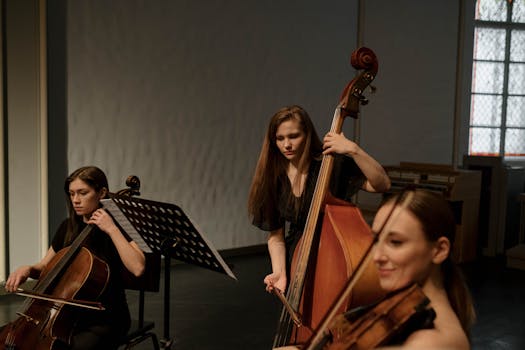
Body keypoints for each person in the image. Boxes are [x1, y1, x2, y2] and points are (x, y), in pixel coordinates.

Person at [247, 105, 390, 294]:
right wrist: (280, 273)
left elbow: (381, 185)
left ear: (307, 134)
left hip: (334, 253)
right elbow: (276, 237)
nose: (286, 145)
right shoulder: (274, 177)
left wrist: (354, 150)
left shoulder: (330, 164)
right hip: (297, 256)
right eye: (280, 138)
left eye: (294, 136)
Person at [3, 166, 146, 349]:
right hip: (67, 315)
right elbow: (45, 267)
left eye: (82, 193)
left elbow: (138, 267)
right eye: (71, 194)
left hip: (105, 320)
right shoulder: (67, 227)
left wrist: (111, 229)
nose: (76, 200)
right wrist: (29, 269)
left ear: (101, 193)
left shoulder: (118, 227)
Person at [370, 189, 476, 349]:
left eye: (396, 242)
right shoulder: (407, 315)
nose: (377, 256)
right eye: (376, 240)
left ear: (439, 250)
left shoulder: (430, 343)